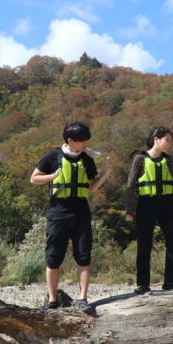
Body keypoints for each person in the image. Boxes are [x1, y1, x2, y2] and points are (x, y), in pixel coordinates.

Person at [30, 121, 112, 313]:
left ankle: (82, 299)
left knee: (84, 256)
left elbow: (91, 188)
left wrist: (106, 174)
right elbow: (34, 179)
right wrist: (52, 176)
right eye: (82, 140)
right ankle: (52, 299)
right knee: (53, 257)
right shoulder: (53, 156)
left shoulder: (87, 159)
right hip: (58, 210)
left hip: (81, 210)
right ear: (70, 140)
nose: (86, 144)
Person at [125, 126, 173, 294]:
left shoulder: (168, 159)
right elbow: (130, 186)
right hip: (145, 205)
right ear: (156, 139)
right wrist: (129, 210)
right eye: (167, 140)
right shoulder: (139, 159)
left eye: (170, 141)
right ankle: (143, 284)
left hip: (166, 205)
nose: (169, 144)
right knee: (144, 245)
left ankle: (171, 282)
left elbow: (172, 186)